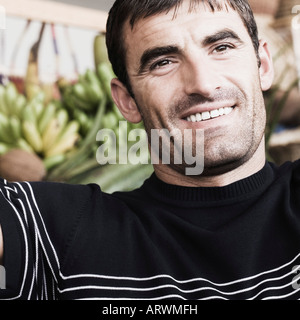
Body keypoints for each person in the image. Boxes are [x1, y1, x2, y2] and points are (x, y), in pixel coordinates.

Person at [0, 0, 300, 300]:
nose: (204, 84)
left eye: (221, 48)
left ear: (262, 65)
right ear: (127, 101)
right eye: (163, 62)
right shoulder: (61, 229)